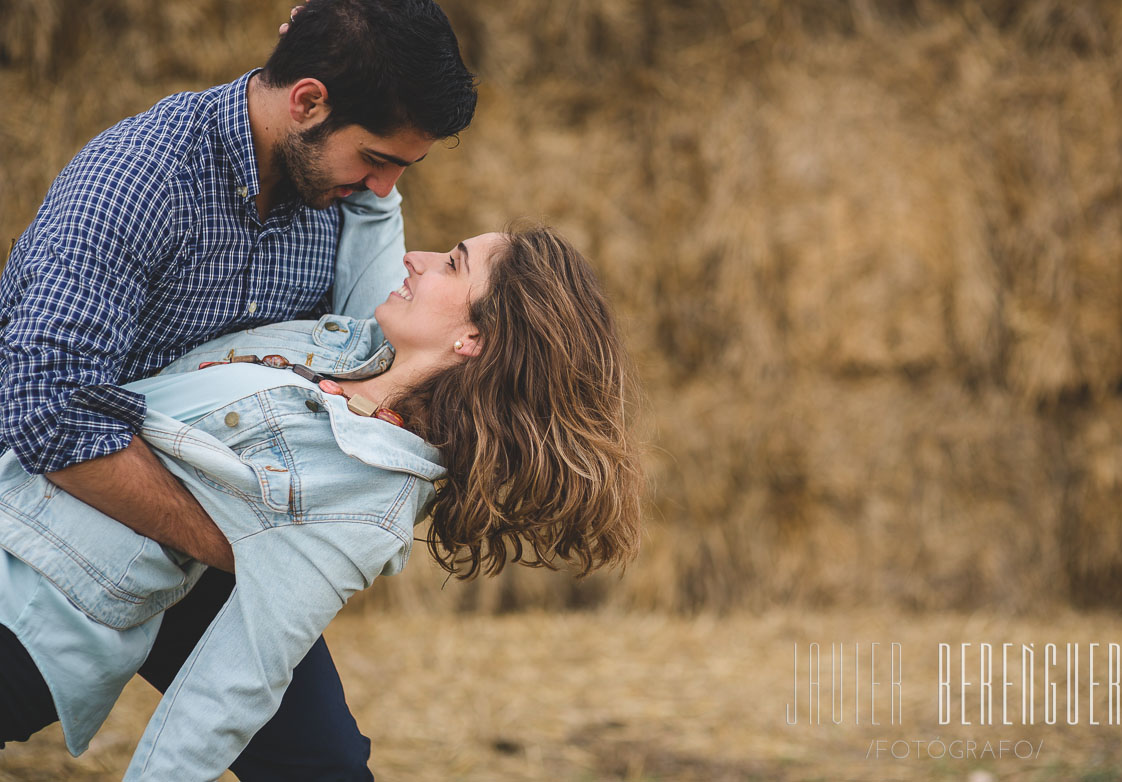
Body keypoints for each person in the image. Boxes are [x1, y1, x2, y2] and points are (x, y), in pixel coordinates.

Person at [0, 0, 476, 778]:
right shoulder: (136, 181)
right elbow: (51, 415)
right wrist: (251, 549)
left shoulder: (335, 191)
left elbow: (374, 344)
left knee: (320, 764)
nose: (382, 186)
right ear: (308, 102)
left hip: (217, 532)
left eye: (400, 171)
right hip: (61, 522)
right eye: (377, 159)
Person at [0, 224, 644, 779]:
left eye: (453, 263)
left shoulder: (361, 501)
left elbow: (235, 684)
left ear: (473, 340)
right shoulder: (358, 347)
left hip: (41, 601)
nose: (415, 259)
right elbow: (371, 214)